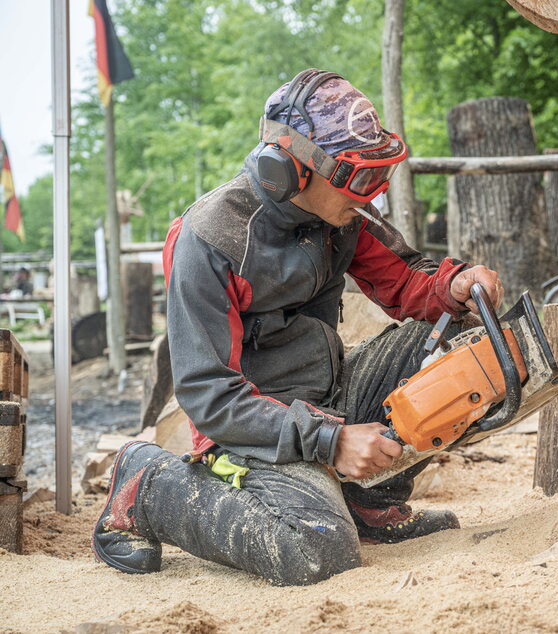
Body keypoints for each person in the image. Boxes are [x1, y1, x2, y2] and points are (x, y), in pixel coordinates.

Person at [91, 69, 503, 585]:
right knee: (317, 552)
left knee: (456, 347)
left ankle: (369, 501)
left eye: (378, 175)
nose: (370, 192)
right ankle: (148, 485)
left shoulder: (344, 214)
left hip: (326, 396)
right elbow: (210, 396)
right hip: (248, 429)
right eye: (357, 178)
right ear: (287, 168)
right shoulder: (210, 238)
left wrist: (454, 286)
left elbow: (406, 281)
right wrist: (330, 441)